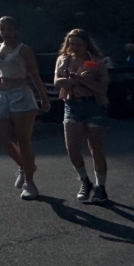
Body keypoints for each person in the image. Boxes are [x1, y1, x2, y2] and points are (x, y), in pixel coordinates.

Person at [0, 17, 51, 200]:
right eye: (2, 28)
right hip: (3, 95)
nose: (5, 32)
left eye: (9, 28)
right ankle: (25, 165)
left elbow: (34, 74)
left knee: (23, 139)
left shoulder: (24, 49)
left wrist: (44, 97)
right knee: (1, 136)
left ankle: (30, 182)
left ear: (15, 30)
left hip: (21, 94)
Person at [56, 29, 110, 204]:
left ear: (86, 44)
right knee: (72, 147)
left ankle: (101, 187)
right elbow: (58, 82)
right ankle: (84, 181)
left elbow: (102, 88)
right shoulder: (64, 60)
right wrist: (73, 81)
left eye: (78, 44)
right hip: (72, 105)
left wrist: (82, 79)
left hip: (94, 105)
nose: (75, 47)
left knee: (96, 148)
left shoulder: (96, 62)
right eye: (72, 44)